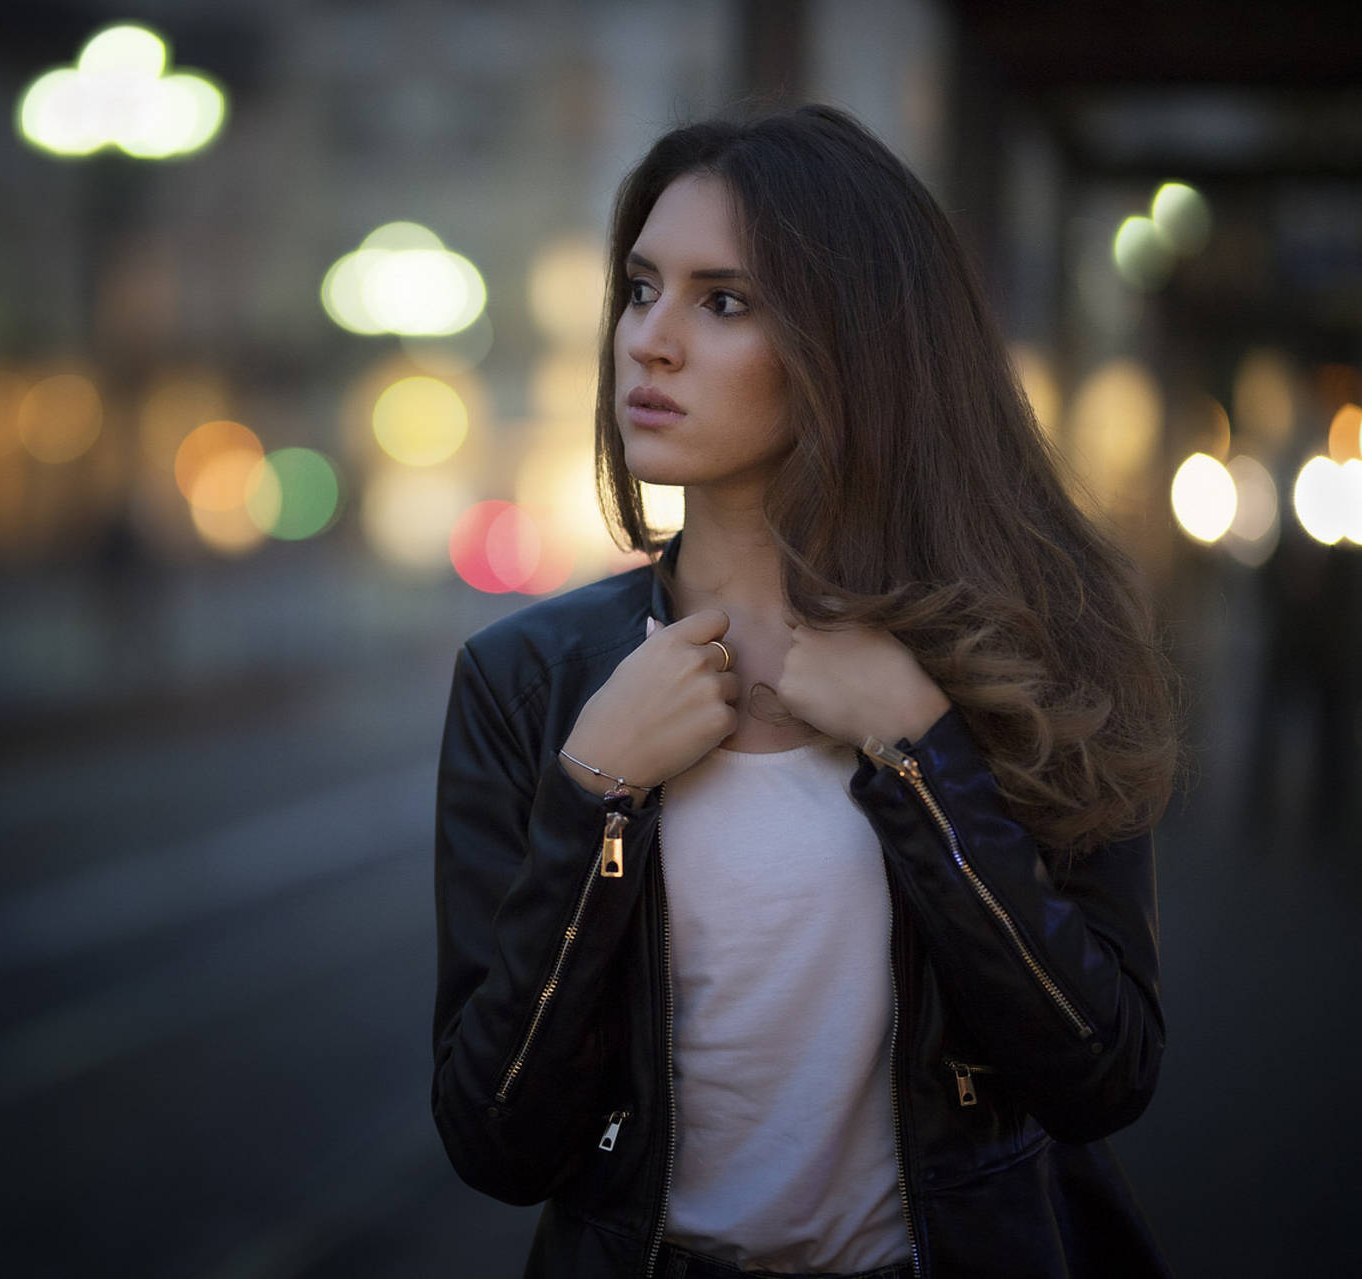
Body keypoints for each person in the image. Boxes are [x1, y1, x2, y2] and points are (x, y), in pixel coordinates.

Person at [430, 104, 1179, 1279]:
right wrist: (596, 800)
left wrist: (925, 760)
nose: (649, 341)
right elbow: (494, 1138)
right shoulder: (529, 683)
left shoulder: (1031, 655)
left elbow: (1105, 1072)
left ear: (857, 344)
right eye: (639, 289)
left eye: (723, 301)